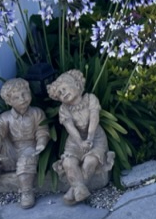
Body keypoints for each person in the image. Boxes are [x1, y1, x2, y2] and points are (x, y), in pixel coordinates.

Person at [0, 77, 49, 208]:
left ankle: (26, 191)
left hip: (29, 147)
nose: (23, 99)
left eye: (25, 93)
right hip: (11, 150)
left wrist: (41, 143)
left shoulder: (36, 113)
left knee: (26, 160)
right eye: (16, 97)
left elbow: (42, 130)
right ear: (9, 101)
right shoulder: (5, 117)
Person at [47, 69, 112, 205]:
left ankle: (74, 189)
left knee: (90, 161)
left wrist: (89, 138)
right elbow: (70, 127)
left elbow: (94, 118)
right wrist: (80, 142)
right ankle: (79, 189)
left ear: (76, 85)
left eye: (64, 89)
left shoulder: (90, 99)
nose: (62, 93)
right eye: (59, 93)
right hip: (74, 142)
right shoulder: (64, 109)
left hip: (96, 138)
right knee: (68, 163)